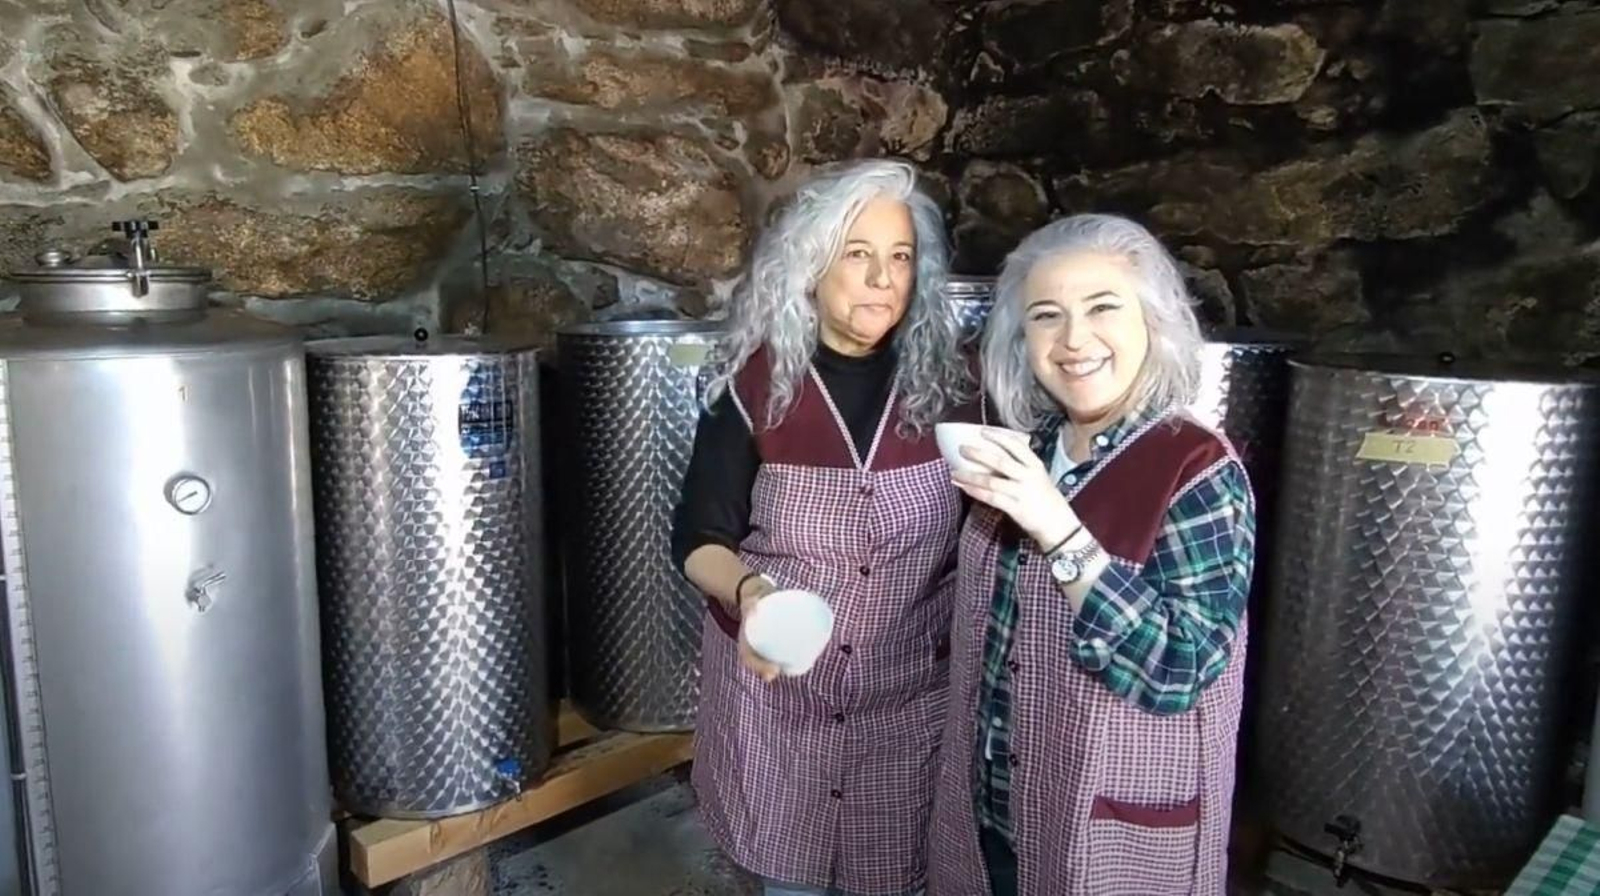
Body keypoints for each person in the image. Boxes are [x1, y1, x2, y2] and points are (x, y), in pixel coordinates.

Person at [926, 214, 1256, 896]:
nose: (1074, 340)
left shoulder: (1195, 468)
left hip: (1109, 820)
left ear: (1154, 320)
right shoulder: (1032, 445)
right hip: (995, 806)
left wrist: (1060, 529)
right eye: (1046, 317)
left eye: (1102, 307)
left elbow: (1180, 668)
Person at [671, 158, 976, 896]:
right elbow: (697, 539)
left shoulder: (953, 388)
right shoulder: (755, 386)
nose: (883, 279)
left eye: (900, 258)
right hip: (782, 704)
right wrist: (749, 595)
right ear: (811, 266)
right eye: (859, 254)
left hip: (905, 712)